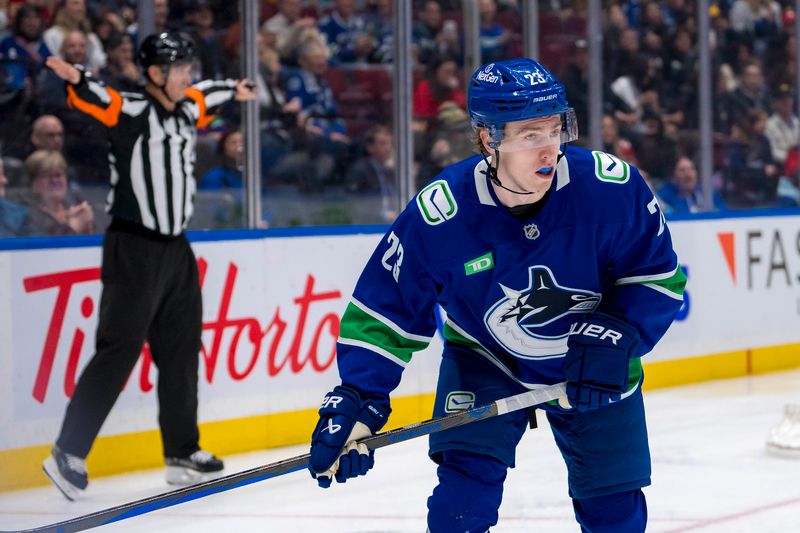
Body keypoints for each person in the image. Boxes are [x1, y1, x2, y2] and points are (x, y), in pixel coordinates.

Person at [307, 58, 686, 533]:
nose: (549, 148)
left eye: (556, 128)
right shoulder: (441, 213)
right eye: (530, 134)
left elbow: (659, 276)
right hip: (486, 361)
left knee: (615, 515)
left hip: (596, 365)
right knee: (459, 509)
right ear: (490, 138)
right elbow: (386, 311)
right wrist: (360, 397)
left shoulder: (612, 188)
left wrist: (621, 330)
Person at [41, 31, 255, 501]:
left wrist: (238, 89)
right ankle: (67, 451)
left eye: (187, 68)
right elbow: (98, 96)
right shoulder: (133, 109)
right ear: (155, 74)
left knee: (180, 350)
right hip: (133, 246)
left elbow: (210, 92)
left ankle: (182, 451)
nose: (186, 76)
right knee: (118, 348)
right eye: (178, 69)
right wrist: (75, 75)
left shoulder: (188, 107)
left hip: (176, 249)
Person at [24, 149, 94, 235]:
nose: (54, 180)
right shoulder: (25, 214)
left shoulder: (76, 204)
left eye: (58, 175)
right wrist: (72, 228)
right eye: (47, 176)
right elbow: (43, 245)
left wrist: (88, 227)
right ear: (34, 182)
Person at [658, 156, 726, 213]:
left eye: (691, 169)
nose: (687, 174)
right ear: (674, 175)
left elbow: (724, 213)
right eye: (682, 170)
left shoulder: (708, 193)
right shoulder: (666, 194)